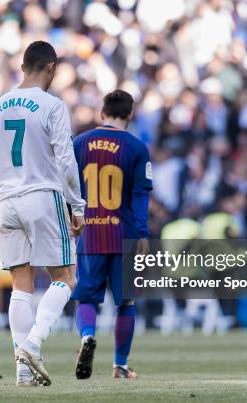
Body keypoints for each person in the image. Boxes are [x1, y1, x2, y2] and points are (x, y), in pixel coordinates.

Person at [0, 41, 86, 387]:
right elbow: (66, 160)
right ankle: (33, 343)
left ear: (23, 66)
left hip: (7, 201)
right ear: (52, 68)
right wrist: (78, 205)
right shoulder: (52, 105)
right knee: (65, 277)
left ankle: (23, 371)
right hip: (42, 196)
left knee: (20, 286)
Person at [72, 90, 153, 380]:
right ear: (130, 114)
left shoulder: (79, 143)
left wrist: (72, 219)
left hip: (91, 233)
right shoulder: (137, 147)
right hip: (124, 235)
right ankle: (119, 364)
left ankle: (87, 337)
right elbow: (141, 194)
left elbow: (67, 186)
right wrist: (142, 234)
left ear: (101, 111)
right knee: (127, 302)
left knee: (87, 298)